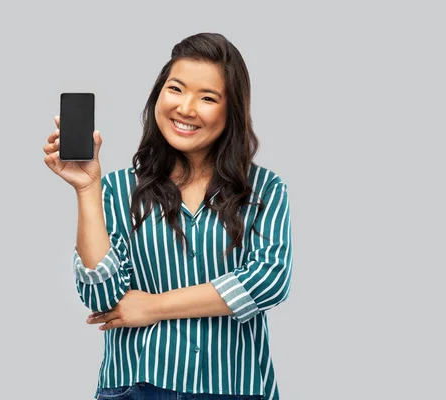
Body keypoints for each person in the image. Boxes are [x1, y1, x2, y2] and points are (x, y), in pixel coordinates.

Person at [43, 32, 292, 400]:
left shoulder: (263, 189)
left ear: (231, 111)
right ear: (159, 95)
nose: (186, 108)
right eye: (176, 89)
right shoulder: (114, 190)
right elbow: (102, 295)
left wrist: (154, 307)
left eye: (208, 97)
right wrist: (87, 189)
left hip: (232, 387)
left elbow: (268, 281)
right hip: (136, 385)